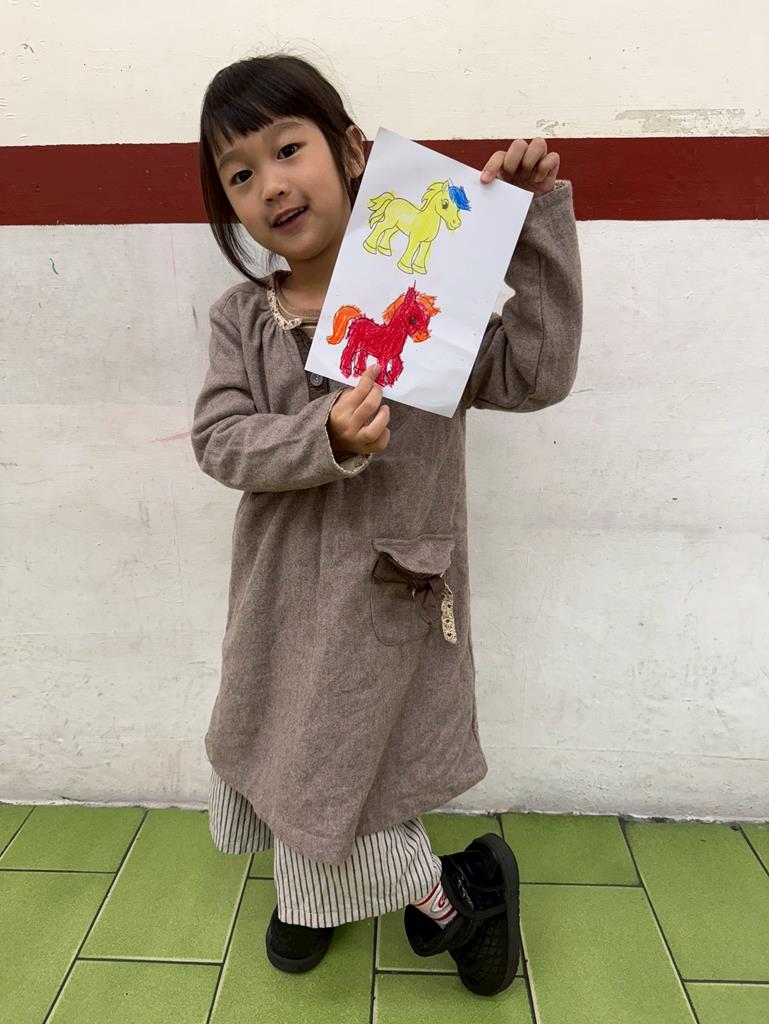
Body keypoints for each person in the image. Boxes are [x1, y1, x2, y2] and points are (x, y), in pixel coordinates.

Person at [191, 52, 582, 998]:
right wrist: (317, 435)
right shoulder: (244, 318)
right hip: (280, 595)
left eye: (288, 150)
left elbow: (535, 374)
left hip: (387, 596)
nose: (269, 184)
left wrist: (527, 225)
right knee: (279, 738)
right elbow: (218, 439)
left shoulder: (430, 306)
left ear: (354, 152)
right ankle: (310, 889)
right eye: (239, 174)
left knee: (339, 755)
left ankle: (457, 901)